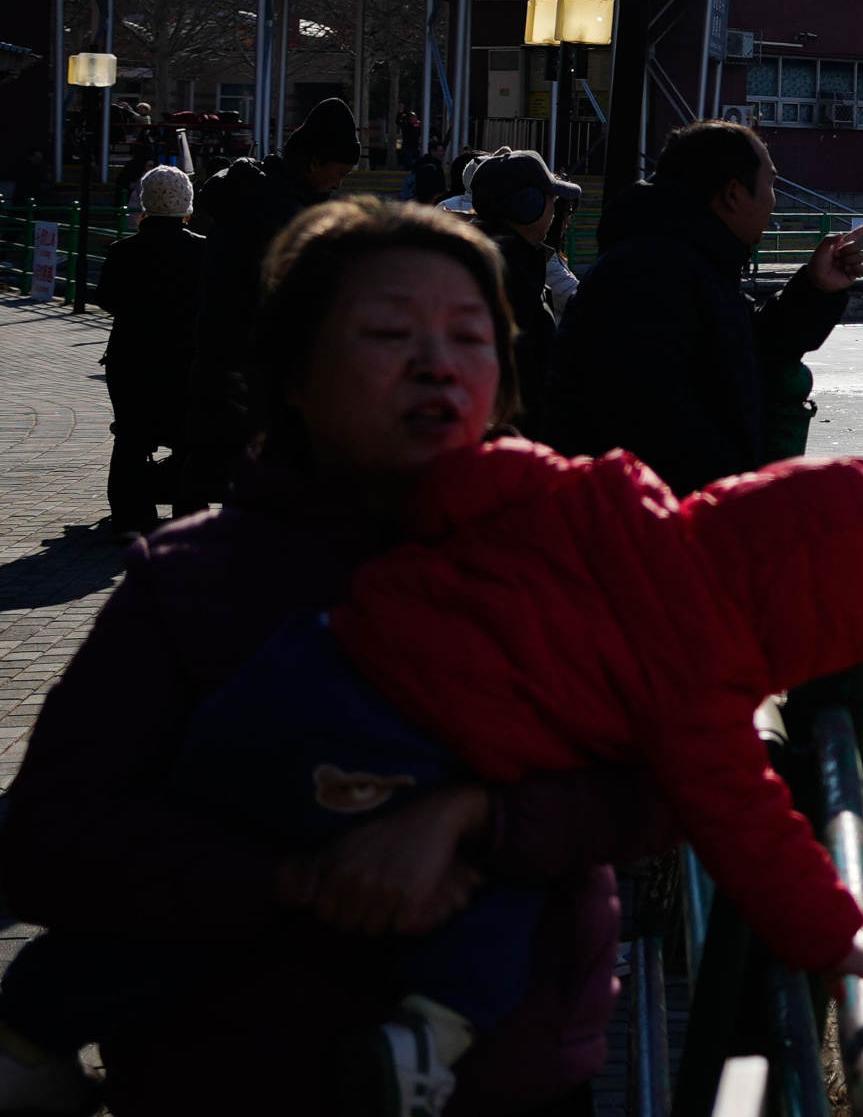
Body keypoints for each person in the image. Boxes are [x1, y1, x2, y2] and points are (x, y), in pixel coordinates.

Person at [0, 200, 676, 1115]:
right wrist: (298, 875)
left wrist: (474, 821)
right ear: (293, 374)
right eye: (388, 332)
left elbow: (668, 783)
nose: (437, 362)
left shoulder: (572, 555)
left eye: (472, 336)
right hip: (227, 1075)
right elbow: (47, 841)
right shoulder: (192, 581)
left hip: (504, 1076)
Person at [545, 121, 863, 496]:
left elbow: (752, 348)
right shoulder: (651, 273)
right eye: (770, 184)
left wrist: (815, 289)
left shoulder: (689, 260)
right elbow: (654, 431)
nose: (773, 200)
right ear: (733, 194)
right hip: (655, 526)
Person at [177, 99, 365, 503]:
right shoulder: (281, 215)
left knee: (205, 469)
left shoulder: (248, 195)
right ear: (315, 162)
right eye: (341, 173)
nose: (340, 184)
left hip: (216, 352)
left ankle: (187, 557)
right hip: (256, 366)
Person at [94, 166, 207, 529]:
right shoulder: (204, 252)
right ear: (187, 206)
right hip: (186, 356)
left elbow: (107, 299)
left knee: (131, 435)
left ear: (145, 204)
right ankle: (188, 515)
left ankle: (130, 517)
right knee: (188, 436)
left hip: (131, 356)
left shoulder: (123, 251)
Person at [460, 153, 581, 424]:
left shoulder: (491, 257)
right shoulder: (511, 270)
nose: (554, 208)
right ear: (529, 204)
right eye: (551, 198)